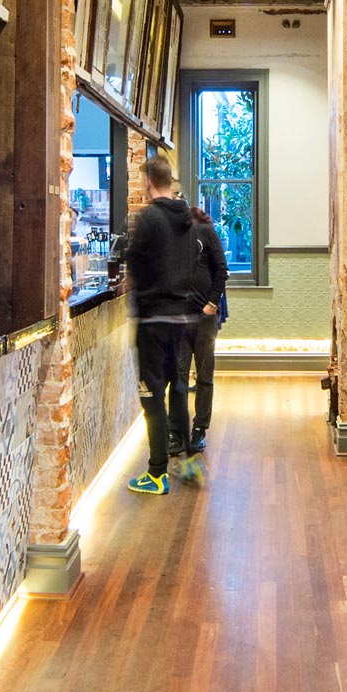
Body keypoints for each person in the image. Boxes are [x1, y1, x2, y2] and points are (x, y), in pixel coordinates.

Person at [122, 154, 210, 494]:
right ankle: (187, 459)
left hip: (153, 320)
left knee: (152, 396)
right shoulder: (188, 221)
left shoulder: (147, 219)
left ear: (147, 182)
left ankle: (156, 473)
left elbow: (135, 265)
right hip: (183, 319)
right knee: (178, 390)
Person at [188, 202, 230, 456]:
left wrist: (212, 304)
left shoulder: (206, 233)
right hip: (179, 319)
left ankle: (199, 429)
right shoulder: (173, 238)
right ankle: (176, 431)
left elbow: (222, 270)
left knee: (204, 375)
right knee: (179, 376)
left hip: (203, 317)